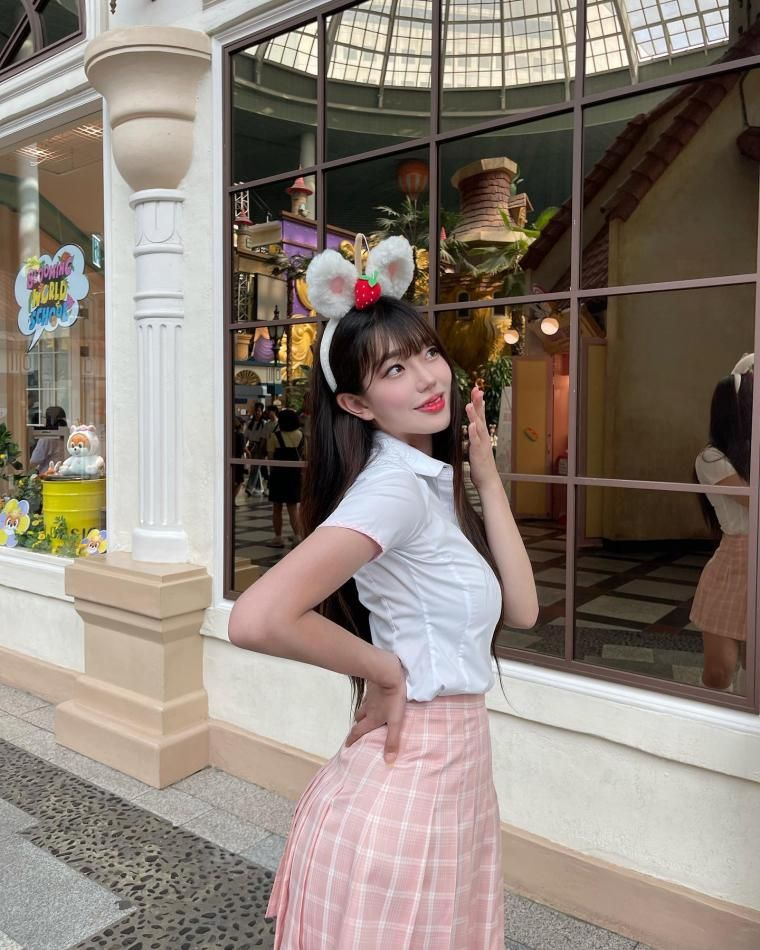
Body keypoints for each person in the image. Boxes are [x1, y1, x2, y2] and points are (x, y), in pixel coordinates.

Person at [228, 234, 538, 949]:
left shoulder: (426, 486)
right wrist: (384, 670)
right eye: (395, 369)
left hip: (448, 776)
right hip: (413, 788)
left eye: (427, 352)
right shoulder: (394, 489)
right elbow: (257, 618)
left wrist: (487, 478)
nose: (429, 377)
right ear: (357, 404)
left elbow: (523, 610)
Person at [691, 357, 753, 691]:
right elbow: (752, 500)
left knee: (754, 672)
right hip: (733, 567)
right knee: (719, 672)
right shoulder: (711, 459)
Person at [265, 407, 303, 547]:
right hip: (294, 475)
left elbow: (270, 456)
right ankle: (297, 536)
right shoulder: (301, 435)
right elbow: (305, 455)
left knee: (277, 507)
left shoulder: (274, 437)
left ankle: (278, 537)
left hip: (278, 475)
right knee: (293, 508)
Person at [30, 406, 68, 474]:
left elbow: (34, 461)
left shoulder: (46, 438)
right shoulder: (67, 436)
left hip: (48, 477)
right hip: (64, 475)